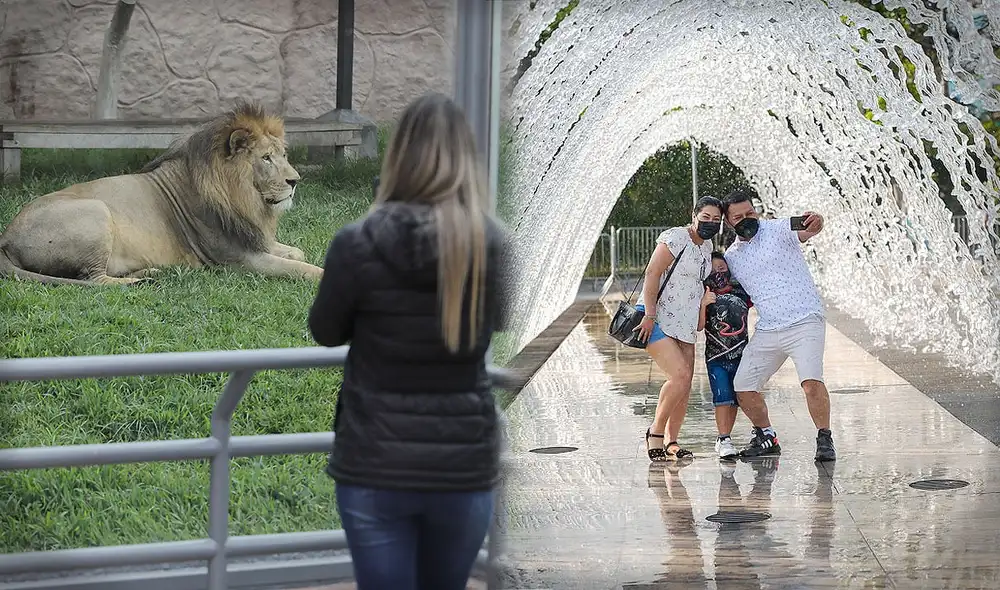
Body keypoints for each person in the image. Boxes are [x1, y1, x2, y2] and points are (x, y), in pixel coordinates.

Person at [307, 92, 510, 590]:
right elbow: (498, 321)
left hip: (375, 464)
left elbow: (326, 332)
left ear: (396, 157)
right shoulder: (491, 243)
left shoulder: (356, 241)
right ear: (467, 159)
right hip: (463, 466)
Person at [720, 188, 836, 462]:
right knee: (744, 386)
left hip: (805, 319)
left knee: (810, 381)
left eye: (750, 212)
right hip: (769, 328)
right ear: (728, 222)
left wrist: (816, 220)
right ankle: (767, 436)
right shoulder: (732, 256)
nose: (747, 219)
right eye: (738, 217)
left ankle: (825, 437)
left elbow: (810, 225)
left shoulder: (779, 227)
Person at [633, 196, 723, 461]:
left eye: (716, 220)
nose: (710, 223)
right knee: (680, 375)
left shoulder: (707, 246)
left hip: (684, 325)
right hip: (657, 319)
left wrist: (703, 307)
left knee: (684, 385)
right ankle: (655, 432)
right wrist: (649, 314)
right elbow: (652, 273)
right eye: (705, 217)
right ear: (693, 214)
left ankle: (672, 442)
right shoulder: (675, 237)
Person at [697, 252, 753, 460]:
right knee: (722, 398)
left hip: (741, 355)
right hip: (716, 358)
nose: (718, 274)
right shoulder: (704, 293)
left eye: (722, 269)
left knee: (737, 398)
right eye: (713, 271)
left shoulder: (742, 291)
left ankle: (733, 436)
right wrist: (703, 304)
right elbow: (699, 326)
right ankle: (724, 438)